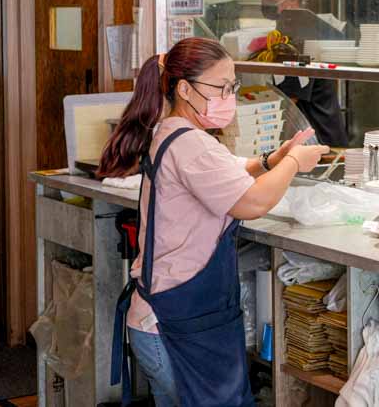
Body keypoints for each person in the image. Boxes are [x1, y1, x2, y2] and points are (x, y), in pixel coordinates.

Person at [99, 38, 327, 406]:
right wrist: (295, 163)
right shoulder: (190, 143)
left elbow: (227, 170)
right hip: (173, 326)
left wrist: (273, 158)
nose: (229, 96)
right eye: (221, 88)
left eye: (232, 86)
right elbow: (252, 202)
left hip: (166, 321)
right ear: (185, 89)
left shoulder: (177, 132)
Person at [260, 0, 350, 147]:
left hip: (321, 143)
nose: (264, 0)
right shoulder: (290, 30)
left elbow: (288, 102)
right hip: (317, 138)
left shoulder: (298, 35)